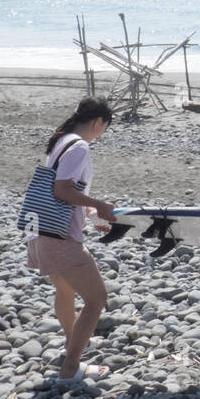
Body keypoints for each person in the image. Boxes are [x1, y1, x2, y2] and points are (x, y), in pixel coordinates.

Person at [25, 97, 116, 382]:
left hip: (42, 229)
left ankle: (71, 345)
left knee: (65, 291)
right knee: (96, 298)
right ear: (98, 122)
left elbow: (65, 191)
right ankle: (70, 367)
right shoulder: (79, 146)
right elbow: (62, 190)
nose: (101, 134)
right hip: (61, 236)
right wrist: (99, 205)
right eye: (104, 128)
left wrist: (90, 212)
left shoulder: (61, 141)